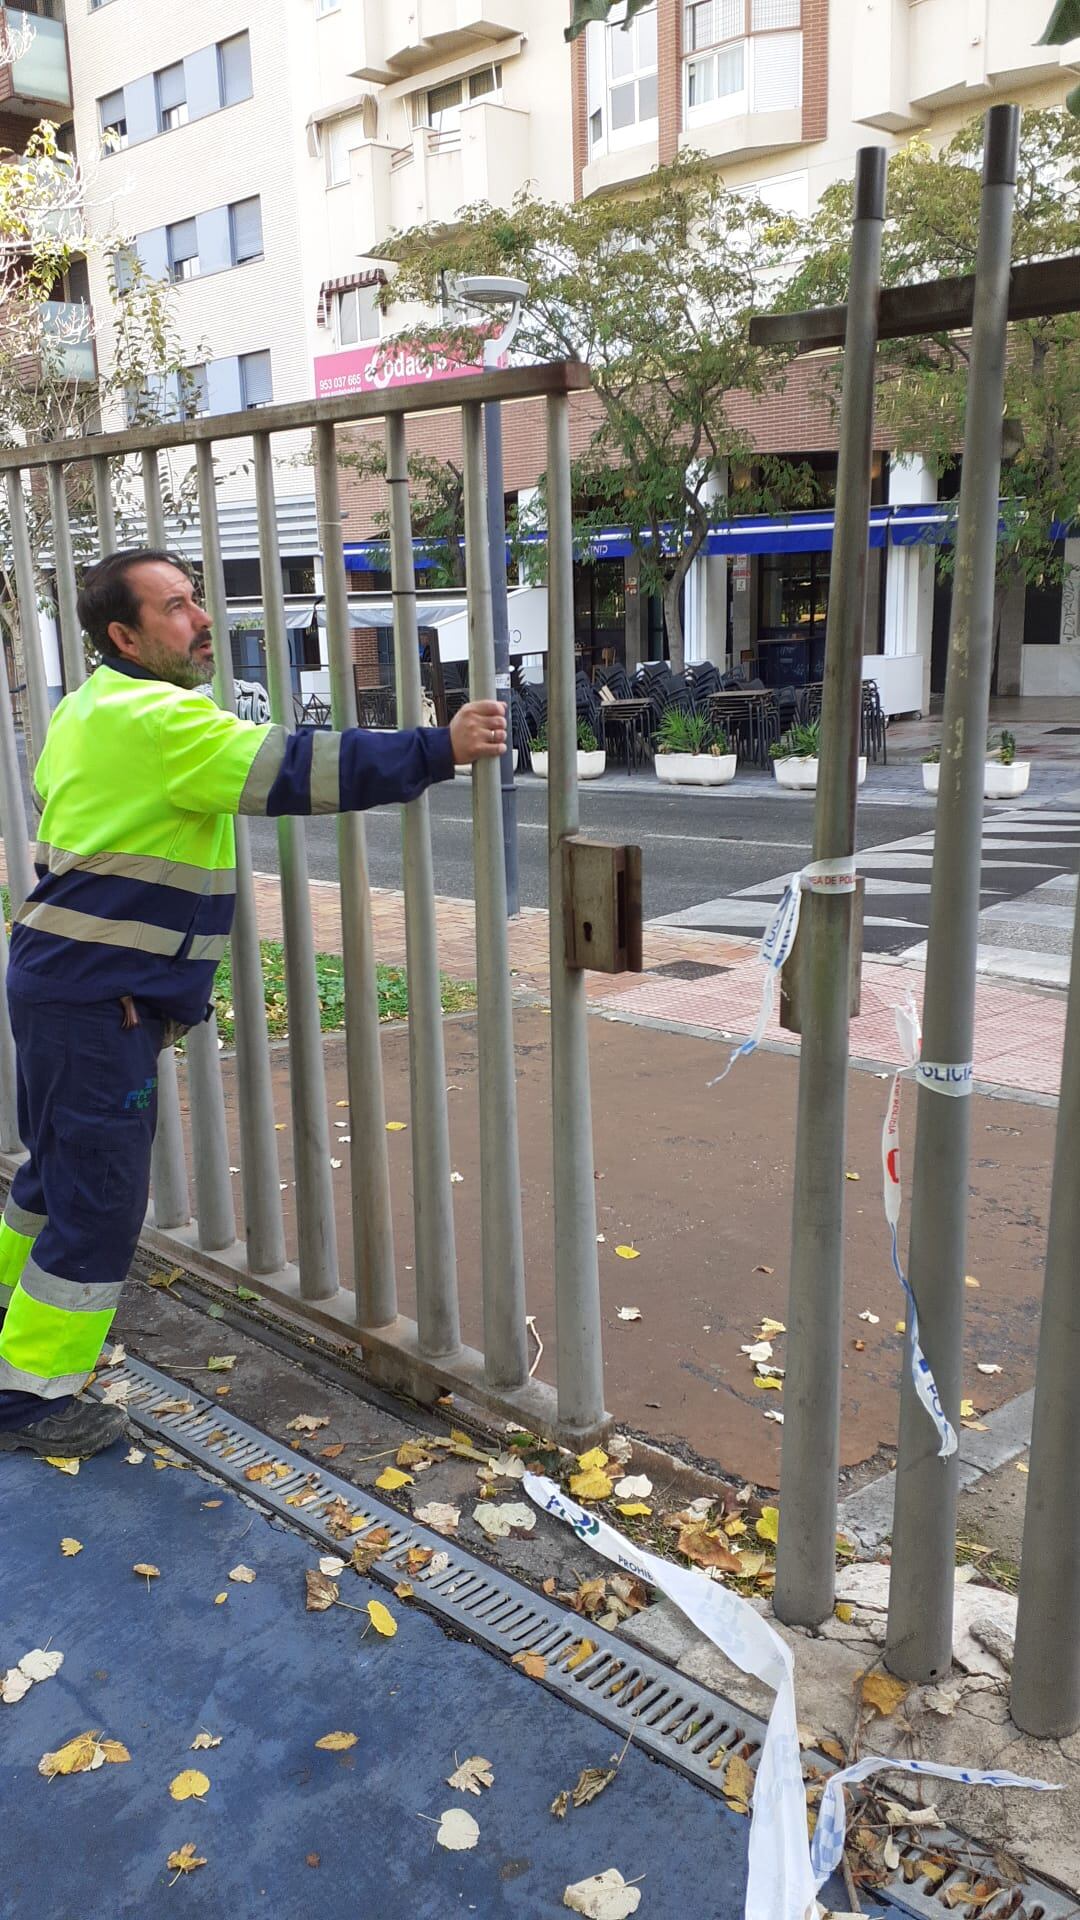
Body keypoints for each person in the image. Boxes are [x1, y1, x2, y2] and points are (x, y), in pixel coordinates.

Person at [0, 549, 506, 1460]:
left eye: (197, 600)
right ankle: (30, 1399)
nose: (200, 620)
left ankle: (9, 1323)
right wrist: (439, 746)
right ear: (123, 635)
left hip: (60, 981)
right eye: (176, 607)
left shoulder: (86, 708)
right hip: (94, 997)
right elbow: (295, 769)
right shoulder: (157, 720)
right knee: (101, 1201)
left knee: (53, 1175)